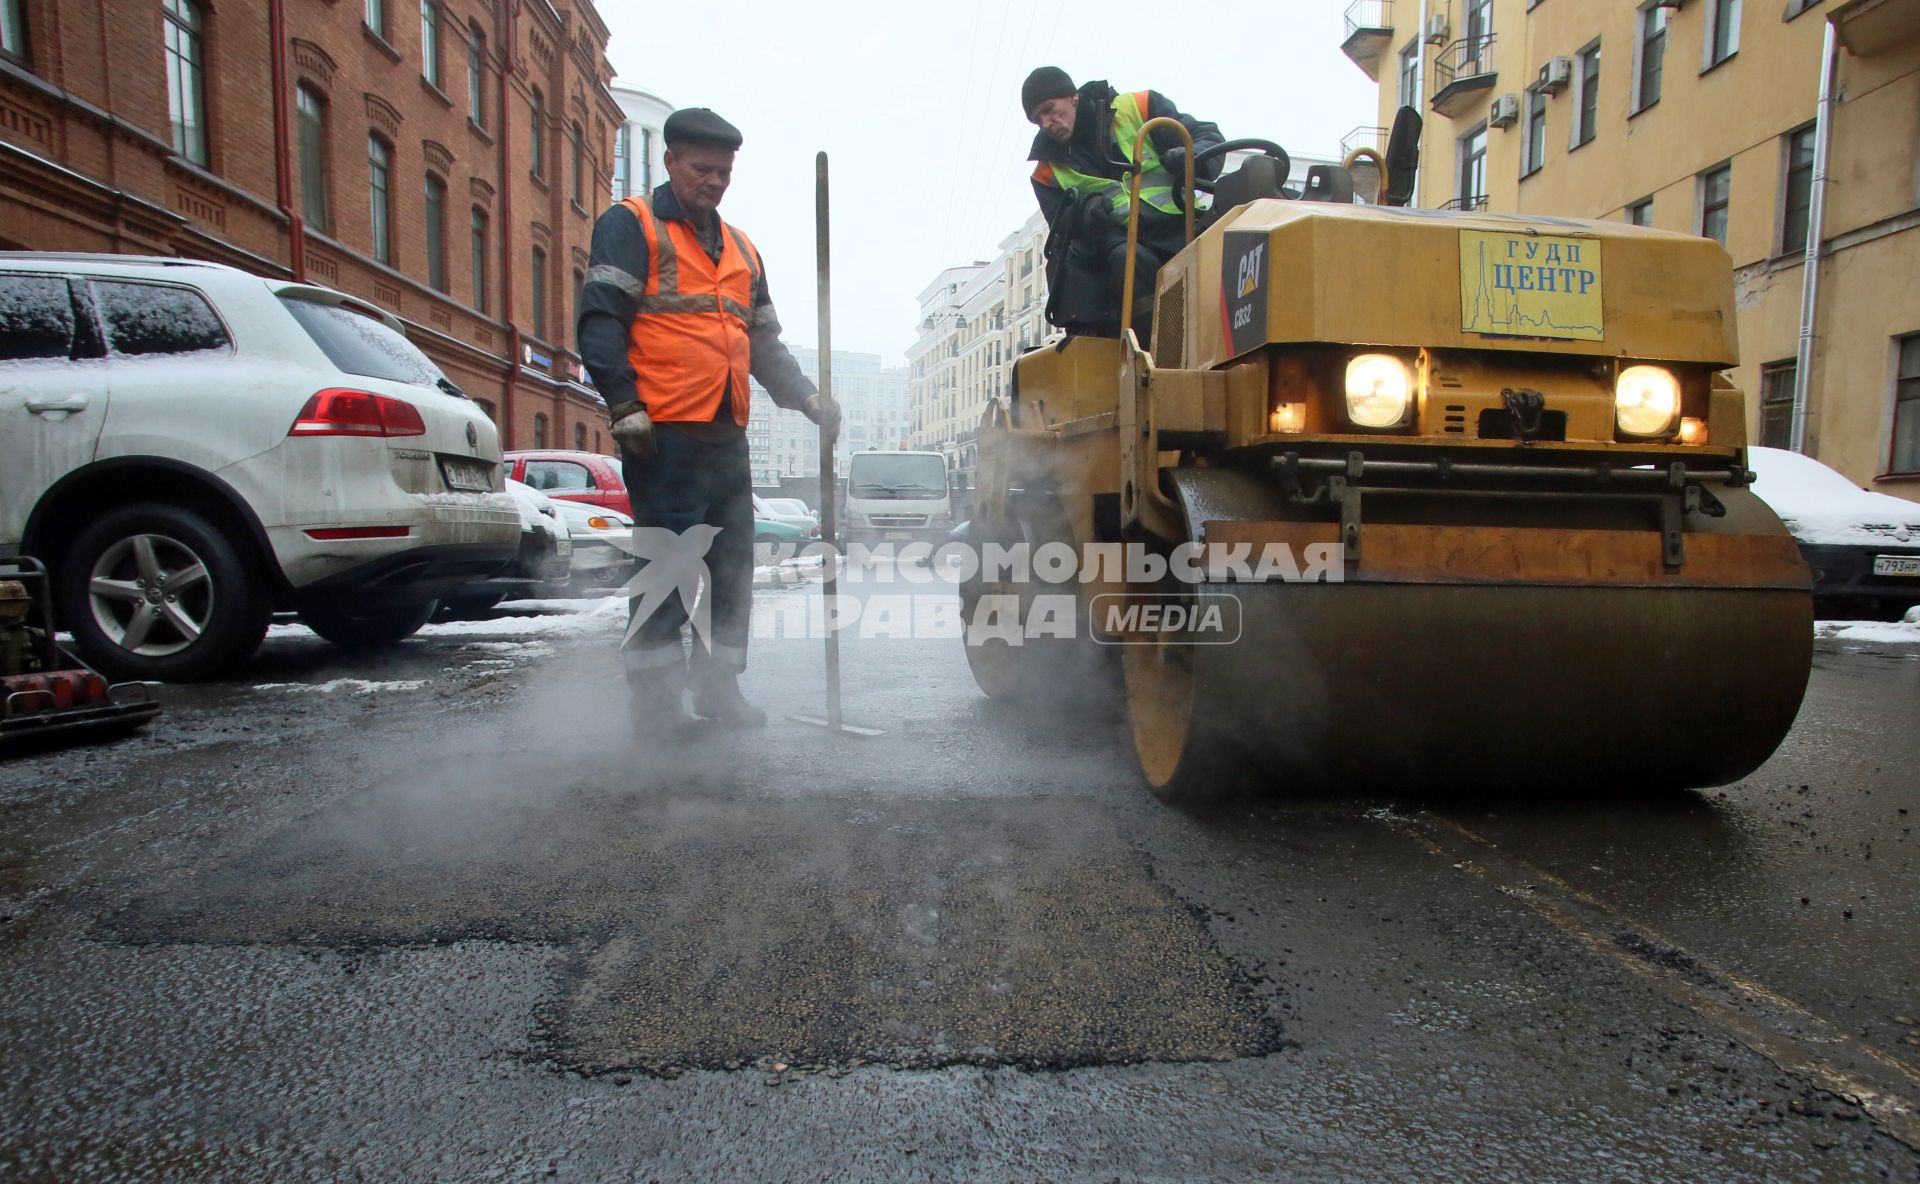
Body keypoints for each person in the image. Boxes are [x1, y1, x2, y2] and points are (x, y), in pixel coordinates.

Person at [576, 107, 839, 735]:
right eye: (702, 169)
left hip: (726, 436)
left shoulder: (743, 249)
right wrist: (623, 403)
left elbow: (764, 346)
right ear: (671, 162)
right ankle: (657, 707)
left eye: (724, 172)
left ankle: (720, 690)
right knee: (668, 570)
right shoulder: (631, 225)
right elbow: (601, 321)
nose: (714, 181)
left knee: (732, 571)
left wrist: (806, 398)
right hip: (661, 433)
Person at [1022, 67, 1223, 341]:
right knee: (1127, 260)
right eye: (1037, 120)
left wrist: (1192, 157)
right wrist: (1087, 214)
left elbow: (1207, 137)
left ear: (1073, 97)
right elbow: (1063, 231)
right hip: (1123, 250)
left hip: (1183, 230)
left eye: (1049, 109)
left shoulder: (1139, 108)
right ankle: (1156, 350)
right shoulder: (1046, 173)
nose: (1046, 123)